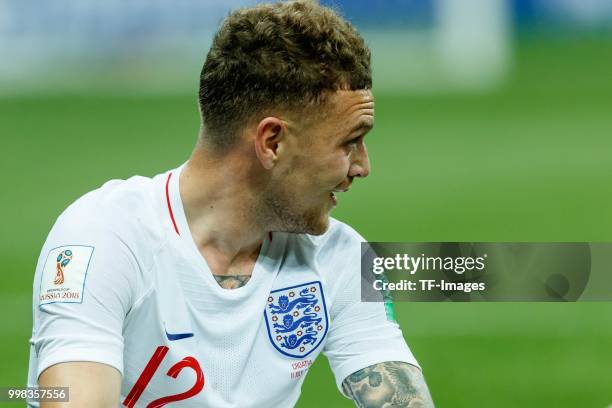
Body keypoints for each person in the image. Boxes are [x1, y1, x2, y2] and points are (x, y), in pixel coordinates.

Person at [27, 1, 434, 407]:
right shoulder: (102, 239)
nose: (363, 166)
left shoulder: (340, 257)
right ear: (272, 142)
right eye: (350, 142)